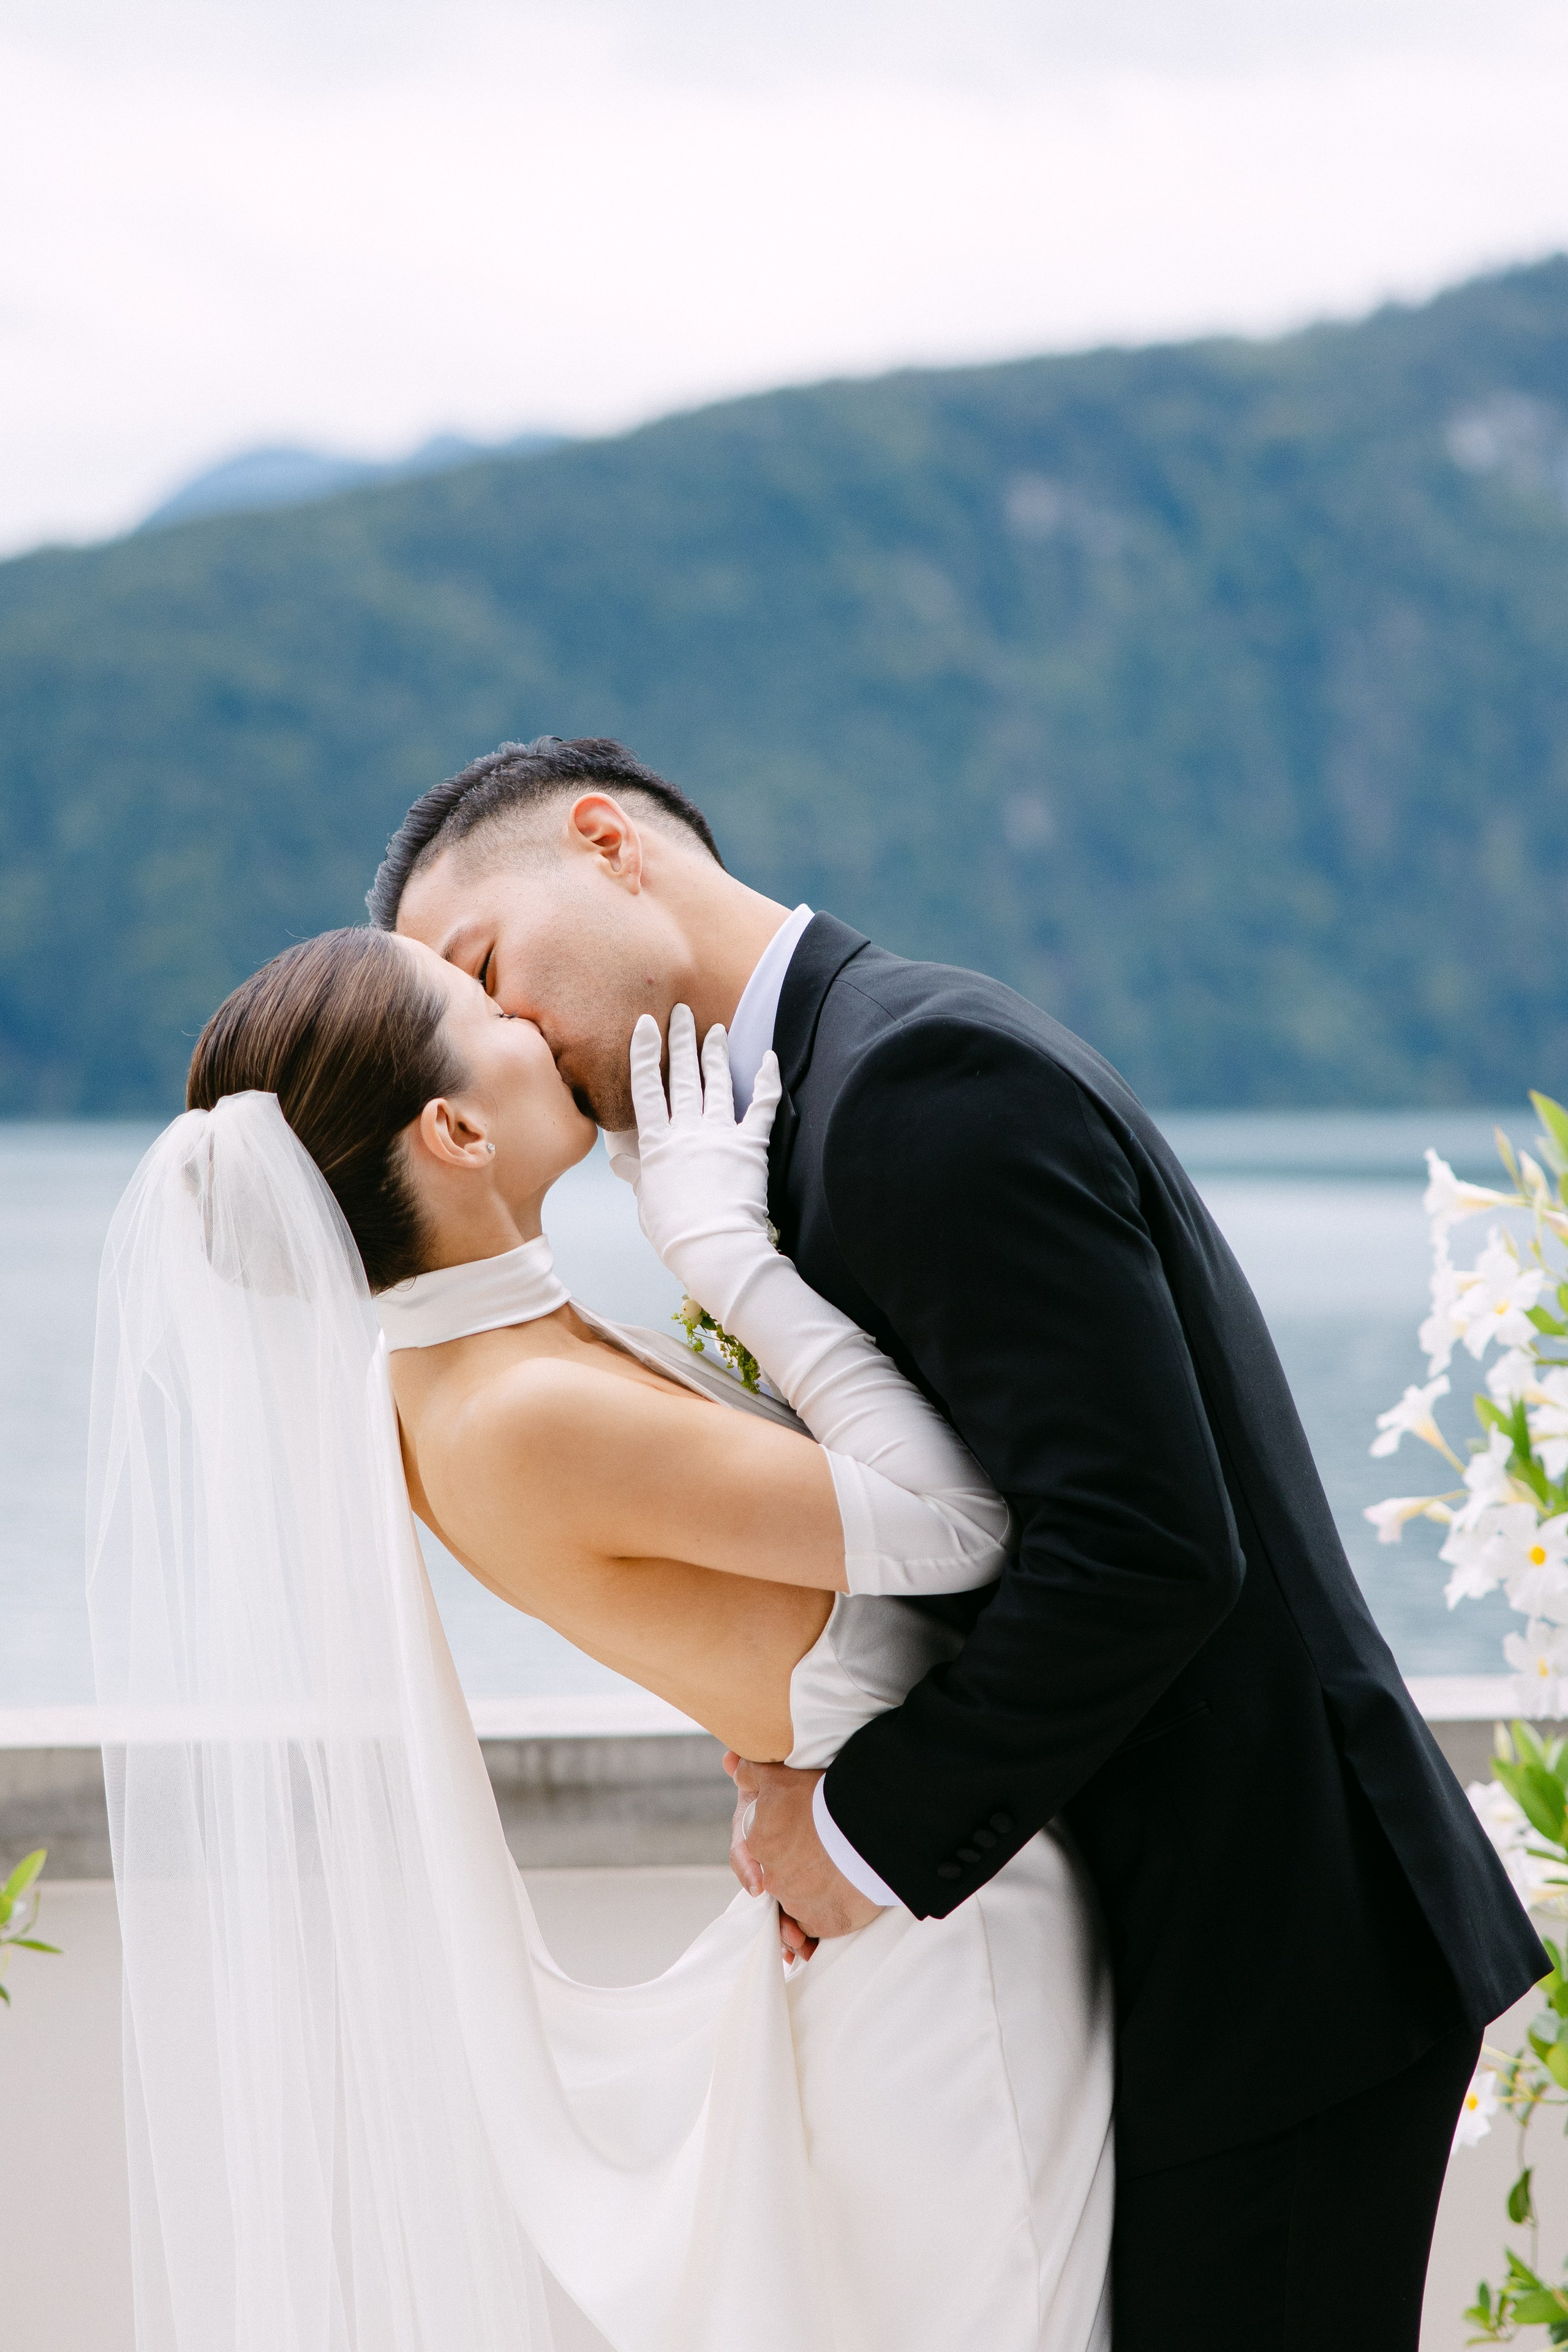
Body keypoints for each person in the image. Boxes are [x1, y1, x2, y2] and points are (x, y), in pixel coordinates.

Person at [375, 733, 1549, 2351]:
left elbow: (1142, 1546)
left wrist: (858, 1828)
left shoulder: (921, 1075)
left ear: (607, 844)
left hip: (1267, 1938)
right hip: (1146, 1935)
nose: (506, 1035)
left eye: (490, 968)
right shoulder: (823, 1098)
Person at [91, 925, 1112, 2352]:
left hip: (914, 1877)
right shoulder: (512, 1410)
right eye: (479, 1004)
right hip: (945, 1936)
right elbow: (955, 1526)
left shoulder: (485, 1363)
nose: (522, 1010)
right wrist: (718, 1250)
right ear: (452, 1126)